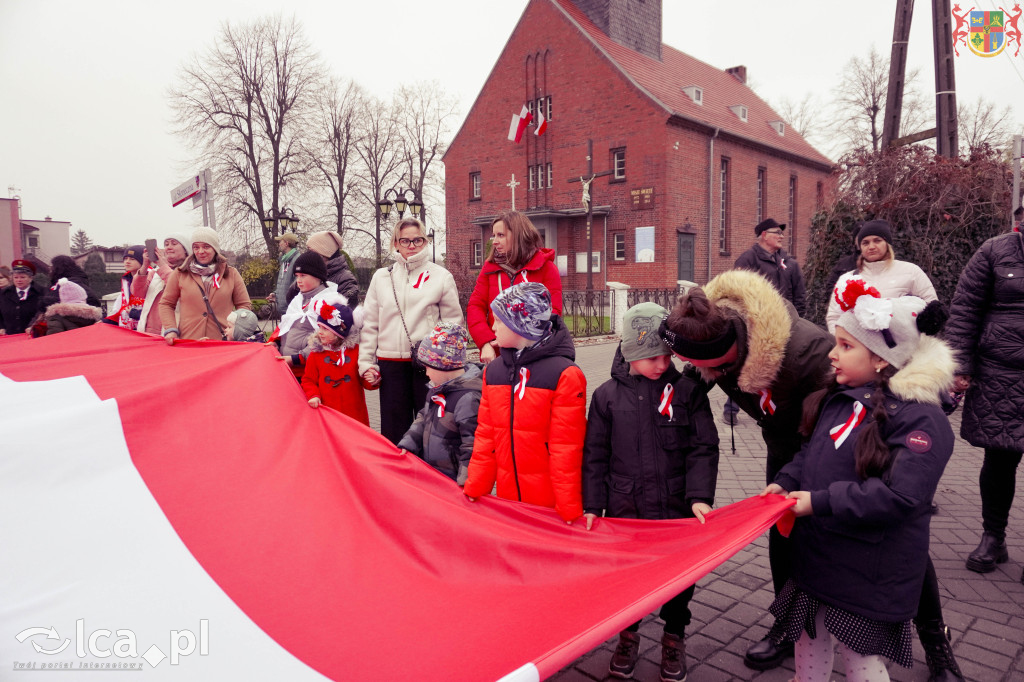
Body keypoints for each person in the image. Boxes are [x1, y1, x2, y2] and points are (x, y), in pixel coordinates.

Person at [761, 288, 956, 682]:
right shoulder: (839, 399)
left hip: (867, 567)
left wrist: (819, 502)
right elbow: (812, 454)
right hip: (821, 555)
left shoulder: (921, 422)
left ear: (882, 359)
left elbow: (901, 495)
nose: (832, 354)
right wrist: (785, 482)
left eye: (846, 345)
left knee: (859, 656)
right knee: (808, 635)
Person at [657, 268, 833, 670]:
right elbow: (684, 391)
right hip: (783, 446)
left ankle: (932, 631)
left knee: (873, 539)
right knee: (783, 532)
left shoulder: (809, 352)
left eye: (714, 369)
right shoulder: (709, 335)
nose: (709, 375)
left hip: (832, 446)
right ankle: (787, 626)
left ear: (735, 347)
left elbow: (841, 415)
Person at [583, 302, 719, 682]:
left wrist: (699, 496)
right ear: (630, 352)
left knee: (679, 581)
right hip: (626, 508)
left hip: (677, 509)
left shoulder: (688, 391)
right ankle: (628, 634)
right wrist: (593, 504)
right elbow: (594, 454)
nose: (661, 364)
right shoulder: (606, 396)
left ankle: (674, 636)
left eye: (666, 355)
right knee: (628, 580)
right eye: (651, 357)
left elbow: (702, 447)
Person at [462, 282, 587, 524]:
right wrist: (476, 486)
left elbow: (566, 449)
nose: (492, 327)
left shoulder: (564, 375)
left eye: (499, 320)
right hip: (510, 498)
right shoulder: (495, 372)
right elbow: (486, 436)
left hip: (550, 505)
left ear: (521, 325)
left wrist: (569, 508)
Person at [945, 214, 1024, 583]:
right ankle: (994, 537)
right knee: (999, 460)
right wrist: (960, 366)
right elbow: (964, 311)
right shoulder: (993, 251)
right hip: (1000, 374)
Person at [359, 218, 463, 444]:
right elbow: (370, 325)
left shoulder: (440, 276)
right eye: (405, 240)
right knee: (394, 431)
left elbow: (453, 325)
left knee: (429, 429)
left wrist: (446, 365)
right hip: (390, 363)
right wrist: (366, 363)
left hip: (427, 366)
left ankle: (428, 475)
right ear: (396, 243)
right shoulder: (381, 277)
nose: (412, 245)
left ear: (424, 242)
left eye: (417, 239)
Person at [729, 218, 807, 426]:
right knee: (745, 364)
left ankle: (772, 409)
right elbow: (736, 292)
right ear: (764, 235)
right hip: (755, 324)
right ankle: (732, 408)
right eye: (777, 232)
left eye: (782, 233)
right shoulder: (748, 260)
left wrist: (798, 320)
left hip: (786, 324)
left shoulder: (789, 263)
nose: (782, 236)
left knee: (781, 366)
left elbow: (799, 295)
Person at [466, 210, 563, 364]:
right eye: (494, 235)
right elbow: (475, 306)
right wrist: (485, 343)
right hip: (497, 354)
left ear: (518, 235)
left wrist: (524, 341)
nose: (494, 241)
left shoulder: (546, 267)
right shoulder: (490, 268)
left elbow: (553, 313)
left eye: (501, 235)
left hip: (534, 355)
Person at [397, 322, 482, 485]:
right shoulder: (438, 388)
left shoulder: (467, 398)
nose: (426, 373)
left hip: (454, 480)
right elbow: (423, 416)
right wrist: (409, 442)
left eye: (428, 367)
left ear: (444, 364)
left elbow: (472, 445)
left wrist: (466, 481)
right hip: (434, 473)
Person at [825, 219, 937, 334]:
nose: (871, 246)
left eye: (877, 241)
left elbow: (933, 305)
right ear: (860, 247)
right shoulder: (847, 279)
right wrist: (845, 344)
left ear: (887, 244)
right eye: (865, 242)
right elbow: (834, 317)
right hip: (861, 349)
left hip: (904, 348)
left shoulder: (911, 271)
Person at [159, 228, 252, 343]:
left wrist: (236, 330)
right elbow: (166, 304)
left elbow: (244, 305)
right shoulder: (179, 274)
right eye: (196, 247)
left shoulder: (231, 273)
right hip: (190, 341)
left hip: (222, 342)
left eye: (206, 246)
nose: (200, 251)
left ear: (215, 248)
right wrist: (171, 329)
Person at [301, 293, 375, 425]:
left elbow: (364, 379)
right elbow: (308, 380)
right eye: (319, 327)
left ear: (339, 333)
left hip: (354, 413)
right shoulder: (316, 354)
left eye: (325, 328)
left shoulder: (356, 352)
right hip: (327, 411)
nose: (320, 332)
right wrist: (313, 395)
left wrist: (371, 378)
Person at [271, 251, 339, 379]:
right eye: (296, 276)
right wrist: (277, 343)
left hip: (309, 372)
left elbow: (327, 339)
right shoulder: (298, 300)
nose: (298, 281)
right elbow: (287, 327)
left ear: (318, 276)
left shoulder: (329, 302)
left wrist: (298, 358)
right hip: (290, 368)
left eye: (303, 275)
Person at [135, 232, 190, 335]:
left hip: (174, 332)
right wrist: (144, 266)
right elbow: (138, 293)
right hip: (148, 332)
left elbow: (180, 288)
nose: (169, 247)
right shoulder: (155, 272)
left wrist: (162, 264)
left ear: (186, 250)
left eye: (174, 244)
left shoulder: (192, 273)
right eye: (166, 244)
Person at [287, 231, 359, 305]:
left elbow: (346, 311)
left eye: (312, 251)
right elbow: (290, 299)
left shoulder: (346, 279)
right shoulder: (311, 272)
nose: (309, 255)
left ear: (324, 253)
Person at [0, 260, 45, 336]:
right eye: (16, 277)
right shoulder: (4, 293)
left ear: (30, 278)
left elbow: (42, 312)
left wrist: (34, 326)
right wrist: (1, 327)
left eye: (22, 277)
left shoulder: (41, 292)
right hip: (9, 336)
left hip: (32, 335)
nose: (19, 280)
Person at [107, 245, 147, 329]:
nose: (127, 262)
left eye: (132, 259)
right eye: (125, 259)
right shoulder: (126, 280)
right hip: (128, 327)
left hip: (147, 328)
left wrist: (135, 313)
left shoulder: (152, 277)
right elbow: (120, 308)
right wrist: (106, 321)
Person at [268, 232, 300, 311]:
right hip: (285, 309)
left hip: (291, 309)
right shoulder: (285, 260)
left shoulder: (297, 260)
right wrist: (276, 294)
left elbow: (297, 285)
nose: (279, 244)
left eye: (280, 242)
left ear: (286, 243)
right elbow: (284, 283)